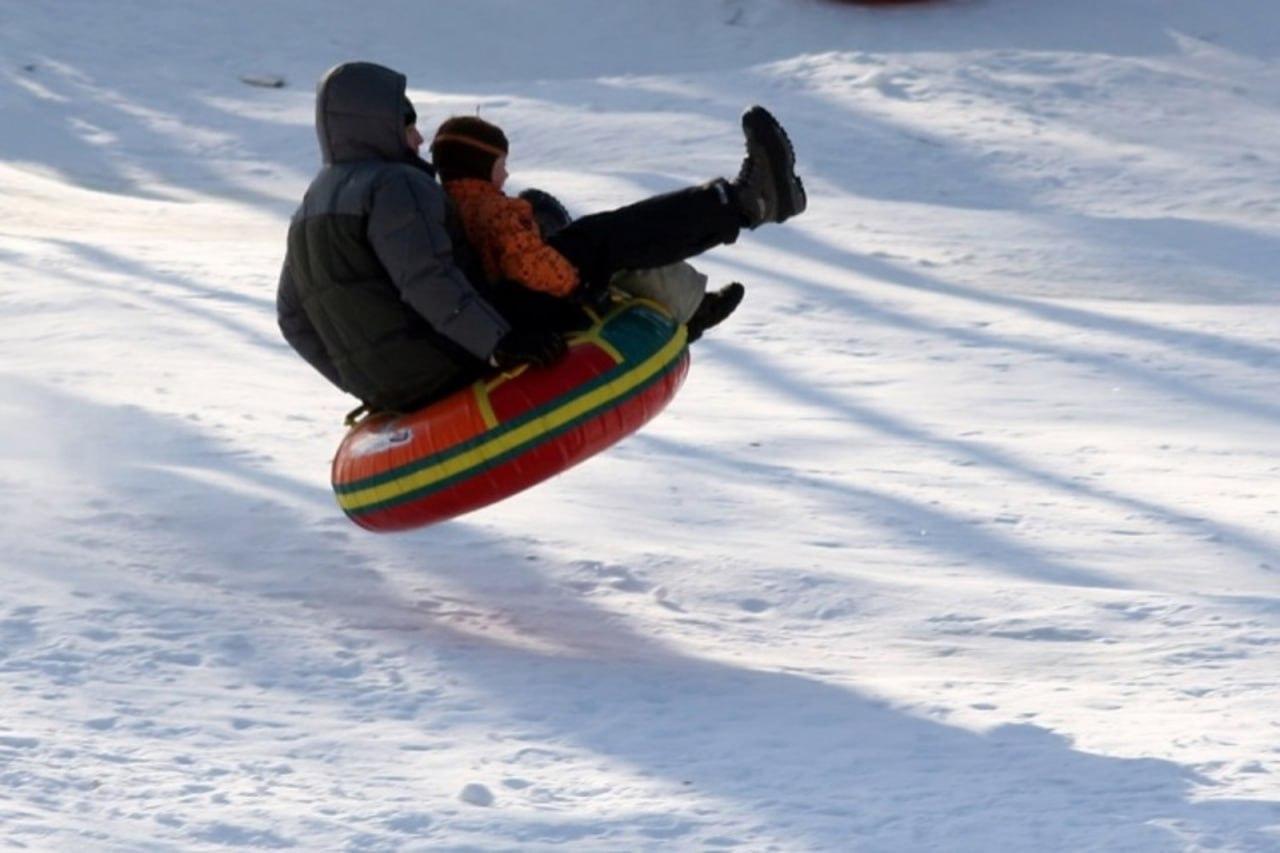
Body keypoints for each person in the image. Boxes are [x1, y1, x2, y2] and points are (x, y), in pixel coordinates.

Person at [277, 61, 806, 414]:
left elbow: (295, 320)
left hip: (399, 386)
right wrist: (500, 343)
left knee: (554, 244)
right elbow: (427, 278)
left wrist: (371, 385)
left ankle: (688, 299)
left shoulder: (309, 209)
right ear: (375, 124)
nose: (417, 137)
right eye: (407, 122)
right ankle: (748, 201)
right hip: (458, 352)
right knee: (588, 245)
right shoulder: (393, 184)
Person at [431, 115, 747, 341]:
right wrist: (576, 284)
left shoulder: (451, 206)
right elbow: (526, 263)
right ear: (480, 168)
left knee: (593, 241)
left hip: (504, 304)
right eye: (500, 166)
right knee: (614, 246)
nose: (507, 174)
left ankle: (694, 307)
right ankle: (695, 308)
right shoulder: (495, 210)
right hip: (538, 303)